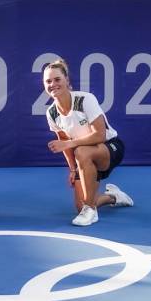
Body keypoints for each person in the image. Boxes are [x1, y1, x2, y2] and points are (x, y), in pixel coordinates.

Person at [42, 59, 133, 226]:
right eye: (48, 81)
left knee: (81, 151)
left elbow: (99, 135)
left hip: (109, 148)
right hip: (83, 158)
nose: (53, 84)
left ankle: (91, 211)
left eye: (57, 79)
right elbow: (64, 142)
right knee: (80, 206)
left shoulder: (85, 99)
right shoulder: (51, 113)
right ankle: (114, 197)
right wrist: (72, 169)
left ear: (67, 81)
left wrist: (70, 144)